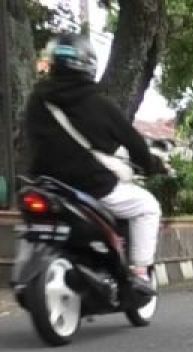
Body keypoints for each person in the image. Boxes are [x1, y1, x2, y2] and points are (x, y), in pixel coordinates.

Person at [23, 33, 167, 293]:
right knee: (148, 207)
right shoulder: (97, 103)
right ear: (87, 64)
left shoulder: (36, 100)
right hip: (93, 187)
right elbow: (134, 144)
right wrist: (152, 165)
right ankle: (140, 272)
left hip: (45, 184)